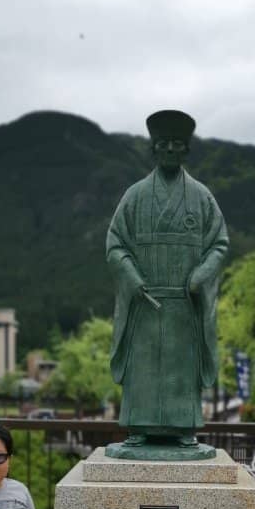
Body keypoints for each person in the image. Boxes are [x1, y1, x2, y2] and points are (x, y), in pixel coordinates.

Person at [105, 109, 229, 456]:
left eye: (177, 144)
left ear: (186, 150)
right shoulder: (135, 196)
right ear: (154, 149)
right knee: (143, 370)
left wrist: (201, 275)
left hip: (185, 305)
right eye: (164, 144)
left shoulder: (201, 197)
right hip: (145, 302)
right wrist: (132, 277)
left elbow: (220, 243)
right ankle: (138, 429)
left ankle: (184, 428)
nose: (170, 150)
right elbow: (115, 243)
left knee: (181, 370)